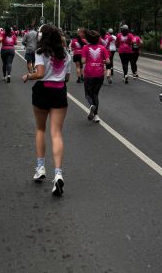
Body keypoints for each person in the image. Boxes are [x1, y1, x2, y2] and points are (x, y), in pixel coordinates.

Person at [21, 24, 71, 196]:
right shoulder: (66, 54)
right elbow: (67, 77)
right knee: (56, 133)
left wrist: (28, 75)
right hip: (59, 91)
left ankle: (41, 167)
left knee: (40, 129)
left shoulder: (41, 52)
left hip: (42, 91)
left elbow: (40, 74)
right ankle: (58, 174)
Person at [82, 30, 110, 123]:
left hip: (89, 74)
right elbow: (108, 61)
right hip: (99, 74)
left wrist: (89, 61)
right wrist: (100, 62)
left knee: (87, 94)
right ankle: (96, 116)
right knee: (95, 94)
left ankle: (91, 106)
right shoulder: (102, 48)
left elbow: (83, 61)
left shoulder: (85, 47)